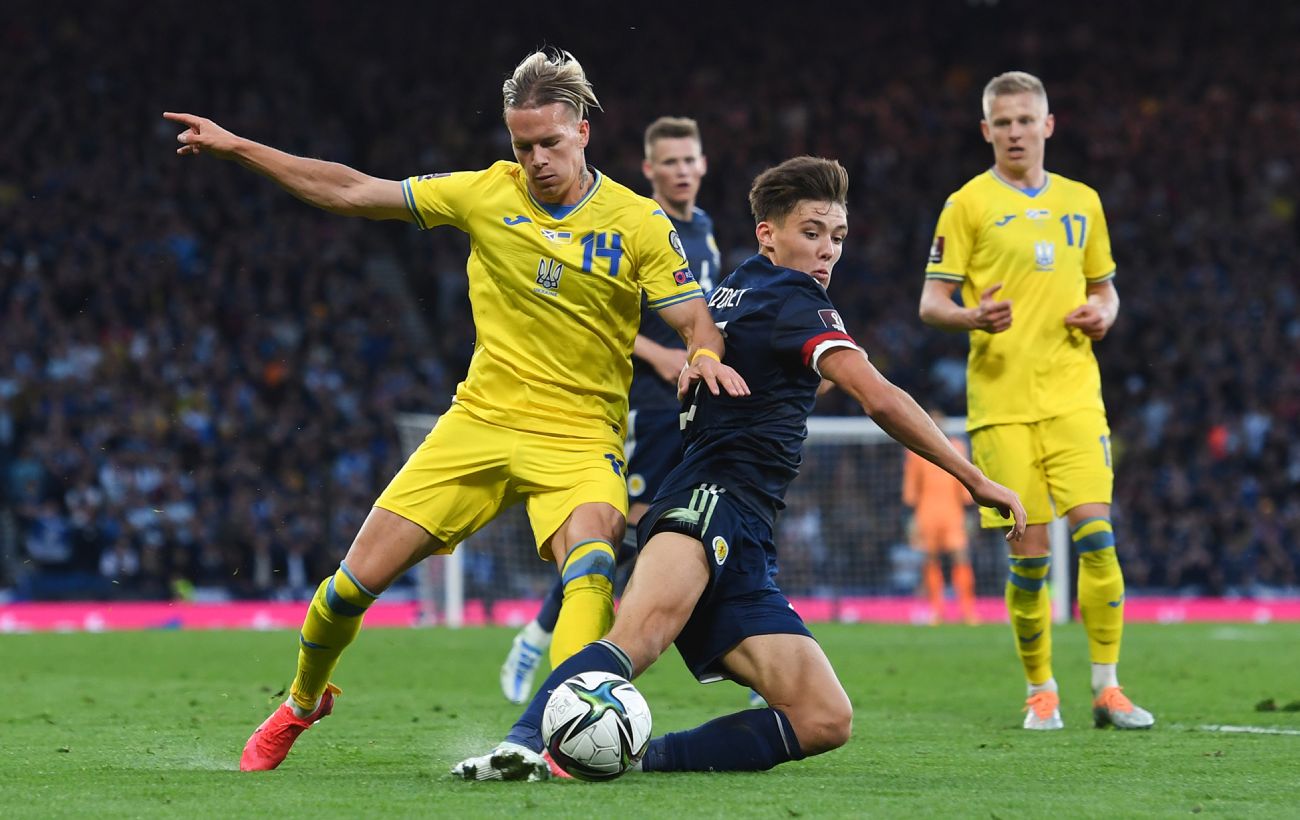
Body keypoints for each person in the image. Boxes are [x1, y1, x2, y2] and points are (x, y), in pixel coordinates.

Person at [165, 48, 747, 772]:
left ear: (583, 131)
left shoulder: (637, 222)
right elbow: (353, 190)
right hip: (478, 424)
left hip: (579, 437)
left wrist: (703, 356)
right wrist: (239, 148)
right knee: (347, 590)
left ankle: (554, 740)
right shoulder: (483, 193)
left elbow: (696, 321)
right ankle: (302, 702)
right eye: (522, 145)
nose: (535, 160)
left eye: (549, 143)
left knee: (593, 567)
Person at [453, 156, 1026, 781]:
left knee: (822, 717)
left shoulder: (736, 287)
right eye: (811, 232)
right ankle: (520, 746)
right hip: (707, 503)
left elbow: (759, 370)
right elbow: (879, 398)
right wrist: (974, 478)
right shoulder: (795, 299)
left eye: (837, 236)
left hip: (747, 532)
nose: (827, 251)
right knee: (634, 641)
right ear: (767, 233)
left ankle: (638, 759)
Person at [918, 71, 1154, 730]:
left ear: (1048, 125)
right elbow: (931, 302)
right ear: (986, 130)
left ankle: (1107, 688)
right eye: (1004, 122)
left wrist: (1104, 313)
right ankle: (1040, 691)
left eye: (1026, 120)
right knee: (1030, 558)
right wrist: (972, 317)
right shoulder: (967, 204)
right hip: (1001, 404)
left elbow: (1106, 288)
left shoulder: (1083, 202)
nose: (1016, 132)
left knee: (1098, 539)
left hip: (1074, 396)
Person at [499, 116, 723, 705]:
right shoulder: (631, 225)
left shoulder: (703, 232)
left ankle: (739, 652)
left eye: (689, 160)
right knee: (627, 528)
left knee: (704, 520)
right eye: (669, 162)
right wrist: (659, 355)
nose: (681, 171)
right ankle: (539, 636)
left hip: (694, 404)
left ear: (702, 164)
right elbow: (595, 319)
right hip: (645, 404)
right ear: (650, 170)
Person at [902, 408, 978, 625]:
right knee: (930, 559)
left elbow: (966, 482)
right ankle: (937, 610)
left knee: (961, 556)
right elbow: (911, 490)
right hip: (926, 512)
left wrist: (969, 513)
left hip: (953, 512)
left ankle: (968, 610)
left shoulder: (957, 447)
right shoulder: (915, 452)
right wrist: (911, 519)